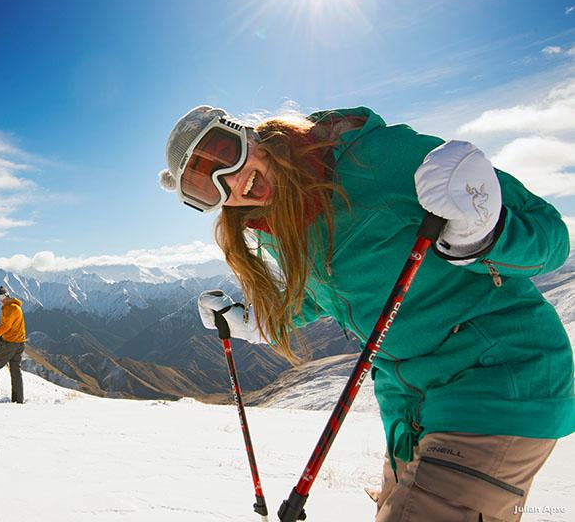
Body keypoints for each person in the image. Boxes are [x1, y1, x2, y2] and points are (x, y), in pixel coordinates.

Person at [161, 105, 574, 522]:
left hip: (499, 375)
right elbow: (322, 294)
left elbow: (552, 238)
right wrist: (255, 323)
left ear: (248, 135)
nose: (229, 182)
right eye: (204, 188)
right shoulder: (279, 219)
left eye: (224, 153)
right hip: (409, 406)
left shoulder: (375, 158)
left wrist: (480, 230)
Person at [0, 285, 27, 403]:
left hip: (10, 344)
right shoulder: (16, 307)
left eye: (2, 297)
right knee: (15, 370)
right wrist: (1, 337)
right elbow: (12, 327)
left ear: (7, 296)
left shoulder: (9, 308)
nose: (1, 301)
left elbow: (5, 326)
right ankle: (18, 400)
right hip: (20, 343)